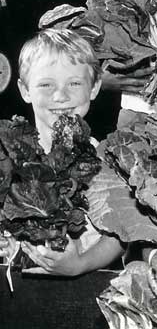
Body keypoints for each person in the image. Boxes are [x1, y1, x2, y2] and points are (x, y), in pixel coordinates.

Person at [0, 29, 127, 276]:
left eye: (74, 83)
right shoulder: (6, 155)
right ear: (25, 90)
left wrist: (81, 263)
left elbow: (122, 235)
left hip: (87, 292)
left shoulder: (109, 161)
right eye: (46, 85)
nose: (60, 96)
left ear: (94, 87)